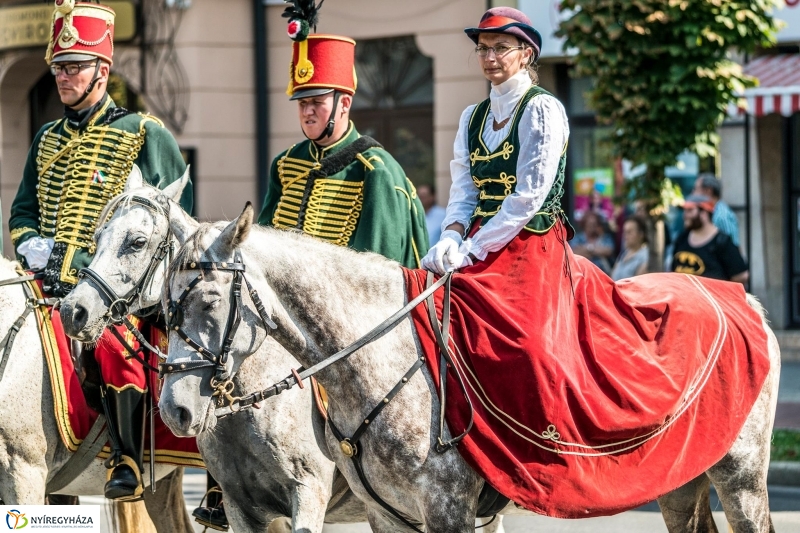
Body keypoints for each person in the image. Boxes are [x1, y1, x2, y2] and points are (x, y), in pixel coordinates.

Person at [9, 1, 192, 502]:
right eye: (58, 67)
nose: (63, 76)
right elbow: (21, 212)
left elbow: (175, 221)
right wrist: (31, 246)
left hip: (116, 293)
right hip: (43, 288)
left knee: (116, 347)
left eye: (73, 67)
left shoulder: (143, 134)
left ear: (102, 71)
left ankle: (127, 458)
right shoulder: (46, 139)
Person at [257, 1, 428, 267]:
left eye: (317, 102)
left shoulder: (375, 170)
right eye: (303, 103)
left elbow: (378, 270)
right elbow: (263, 246)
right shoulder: (284, 163)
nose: (308, 112)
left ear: (344, 104)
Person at [672, 194, 749, 285]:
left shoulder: (722, 241)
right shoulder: (682, 239)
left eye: (690, 210)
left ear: (704, 214)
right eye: (685, 211)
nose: (685, 215)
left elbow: (741, 275)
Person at [693, 172, 740, 247]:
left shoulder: (722, 216)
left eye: (696, 189)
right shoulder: (713, 213)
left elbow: (732, 248)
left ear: (708, 191)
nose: (693, 194)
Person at [571, 211, 615, 275]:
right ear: (584, 225)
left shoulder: (605, 238)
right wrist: (597, 250)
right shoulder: (577, 238)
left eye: (594, 224)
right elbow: (573, 252)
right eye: (589, 224)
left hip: (602, 274)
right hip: (582, 273)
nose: (592, 227)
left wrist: (589, 249)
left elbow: (609, 250)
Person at [611, 216, 649, 281]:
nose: (625, 236)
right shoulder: (624, 253)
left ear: (641, 234)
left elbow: (637, 284)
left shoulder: (645, 257)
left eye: (630, 232)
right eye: (625, 232)